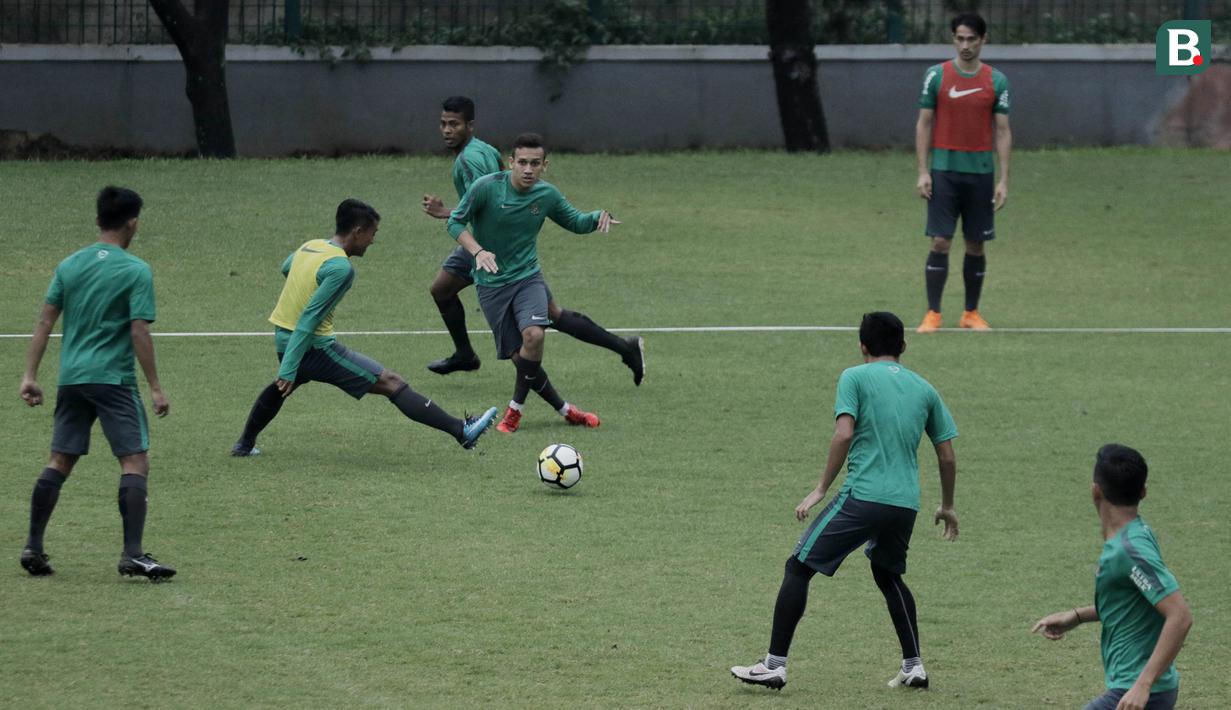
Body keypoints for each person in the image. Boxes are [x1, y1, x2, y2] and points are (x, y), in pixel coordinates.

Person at [730, 312, 959, 691]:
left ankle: (774, 664)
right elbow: (947, 456)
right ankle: (914, 665)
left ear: (862, 346)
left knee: (798, 566)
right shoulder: (925, 388)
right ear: (903, 346)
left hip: (864, 495)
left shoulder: (854, 376)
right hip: (905, 504)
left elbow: (843, 435)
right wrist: (948, 505)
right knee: (888, 575)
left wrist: (821, 488)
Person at [230, 198, 497, 456]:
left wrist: (304, 290)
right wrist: (288, 367)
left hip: (284, 340)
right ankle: (462, 431)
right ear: (357, 231)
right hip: (314, 347)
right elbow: (309, 319)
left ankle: (244, 444)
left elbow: (287, 267)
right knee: (392, 383)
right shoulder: (340, 268)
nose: (373, 240)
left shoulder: (311, 247)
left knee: (283, 386)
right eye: (372, 233)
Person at [422, 96, 644, 385]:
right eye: (443, 124)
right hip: (485, 242)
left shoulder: (468, 161)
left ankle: (549, 396)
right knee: (445, 290)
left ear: (470, 126)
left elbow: (494, 201)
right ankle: (623, 348)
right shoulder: (484, 148)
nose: (447, 130)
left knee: (531, 329)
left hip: (490, 248)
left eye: (454, 124)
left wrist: (445, 213)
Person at [19, 186, 175, 581]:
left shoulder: (69, 265)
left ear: (97, 220)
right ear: (133, 222)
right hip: (113, 379)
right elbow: (138, 330)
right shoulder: (135, 269)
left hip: (71, 378)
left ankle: (33, 547)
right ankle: (133, 554)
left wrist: (30, 376)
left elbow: (44, 322)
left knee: (60, 459)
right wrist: (155, 386)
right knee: (134, 460)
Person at [445, 132, 619, 433]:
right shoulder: (485, 188)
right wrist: (478, 251)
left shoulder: (547, 195)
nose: (527, 169)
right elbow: (455, 222)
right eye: (522, 162)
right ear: (510, 162)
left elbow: (575, 221)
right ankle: (566, 410)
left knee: (534, 336)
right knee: (521, 359)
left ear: (544, 165)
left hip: (528, 278)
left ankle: (515, 410)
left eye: (534, 164)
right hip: (491, 285)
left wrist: (596, 217)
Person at [1032, 445, 1192, 710]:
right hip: (1144, 689)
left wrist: (1143, 685)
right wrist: (1078, 616)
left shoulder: (1128, 551)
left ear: (1095, 490)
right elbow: (1137, 602)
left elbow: (1180, 616)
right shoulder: (1136, 535)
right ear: (1143, 492)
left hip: (1139, 693)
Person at [914, 13, 1011, 333]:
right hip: (943, 172)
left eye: (971, 39)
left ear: (983, 39)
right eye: (960, 38)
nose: (965, 45)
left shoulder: (996, 81)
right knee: (940, 241)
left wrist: (1003, 179)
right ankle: (933, 313)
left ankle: (971, 313)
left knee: (975, 244)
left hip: (980, 173)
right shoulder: (936, 76)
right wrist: (923, 171)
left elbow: (1002, 131)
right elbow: (924, 123)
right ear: (953, 39)